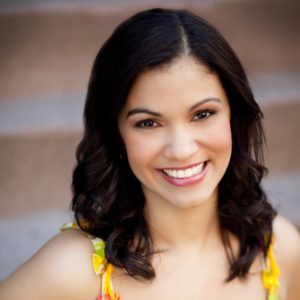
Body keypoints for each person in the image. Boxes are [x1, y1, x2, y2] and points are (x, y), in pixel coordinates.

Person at [0, 7, 299, 300]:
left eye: (203, 114)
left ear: (234, 117)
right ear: (115, 135)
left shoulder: (278, 248)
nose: (182, 150)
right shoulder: (71, 271)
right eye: (148, 123)